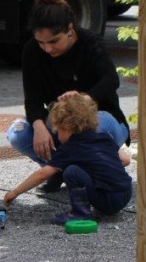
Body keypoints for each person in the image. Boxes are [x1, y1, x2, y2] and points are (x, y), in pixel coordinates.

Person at [7, 0, 130, 192]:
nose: (48, 49)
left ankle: (90, 173)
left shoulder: (90, 42)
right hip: (61, 126)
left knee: (89, 130)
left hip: (103, 120)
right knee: (18, 133)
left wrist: (85, 98)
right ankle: (56, 170)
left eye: (54, 41)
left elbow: (111, 80)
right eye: (41, 43)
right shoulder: (31, 51)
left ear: (70, 30)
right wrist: (38, 127)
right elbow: (33, 98)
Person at [4, 94, 132, 224]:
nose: (57, 135)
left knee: (71, 171)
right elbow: (125, 160)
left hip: (109, 201)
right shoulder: (102, 136)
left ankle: (80, 213)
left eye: (57, 131)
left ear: (67, 127)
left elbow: (42, 174)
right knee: (84, 168)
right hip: (126, 193)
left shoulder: (71, 148)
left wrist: (15, 192)